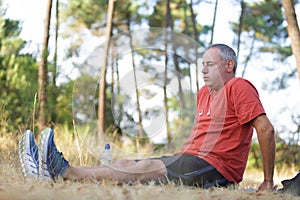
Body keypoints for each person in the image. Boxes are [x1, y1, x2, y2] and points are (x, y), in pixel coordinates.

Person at [18, 44, 275, 191]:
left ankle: (63, 171)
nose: (203, 68)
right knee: (128, 164)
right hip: (193, 159)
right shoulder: (203, 95)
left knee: (143, 169)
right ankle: (44, 168)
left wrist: (267, 181)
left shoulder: (238, 86)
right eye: (202, 64)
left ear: (228, 66)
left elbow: (266, 130)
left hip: (218, 169)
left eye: (210, 63)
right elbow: (199, 136)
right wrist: (177, 156)